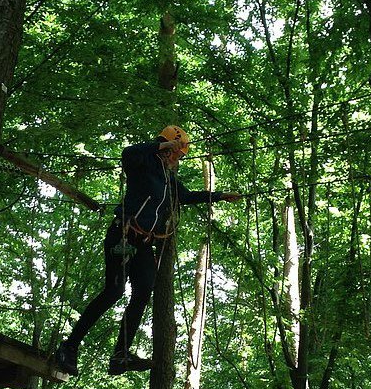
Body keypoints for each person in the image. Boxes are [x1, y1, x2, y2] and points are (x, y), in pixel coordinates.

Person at [55, 125, 240, 376]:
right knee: (114, 292)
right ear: (169, 149)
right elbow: (128, 153)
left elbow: (186, 196)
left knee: (143, 289)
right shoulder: (142, 163)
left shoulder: (167, 178)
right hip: (123, 235)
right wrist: (162, 145)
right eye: (178, 154)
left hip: (143, 243)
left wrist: (220, 196)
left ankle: (120, 355)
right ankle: (69, 346)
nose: (178, 160)